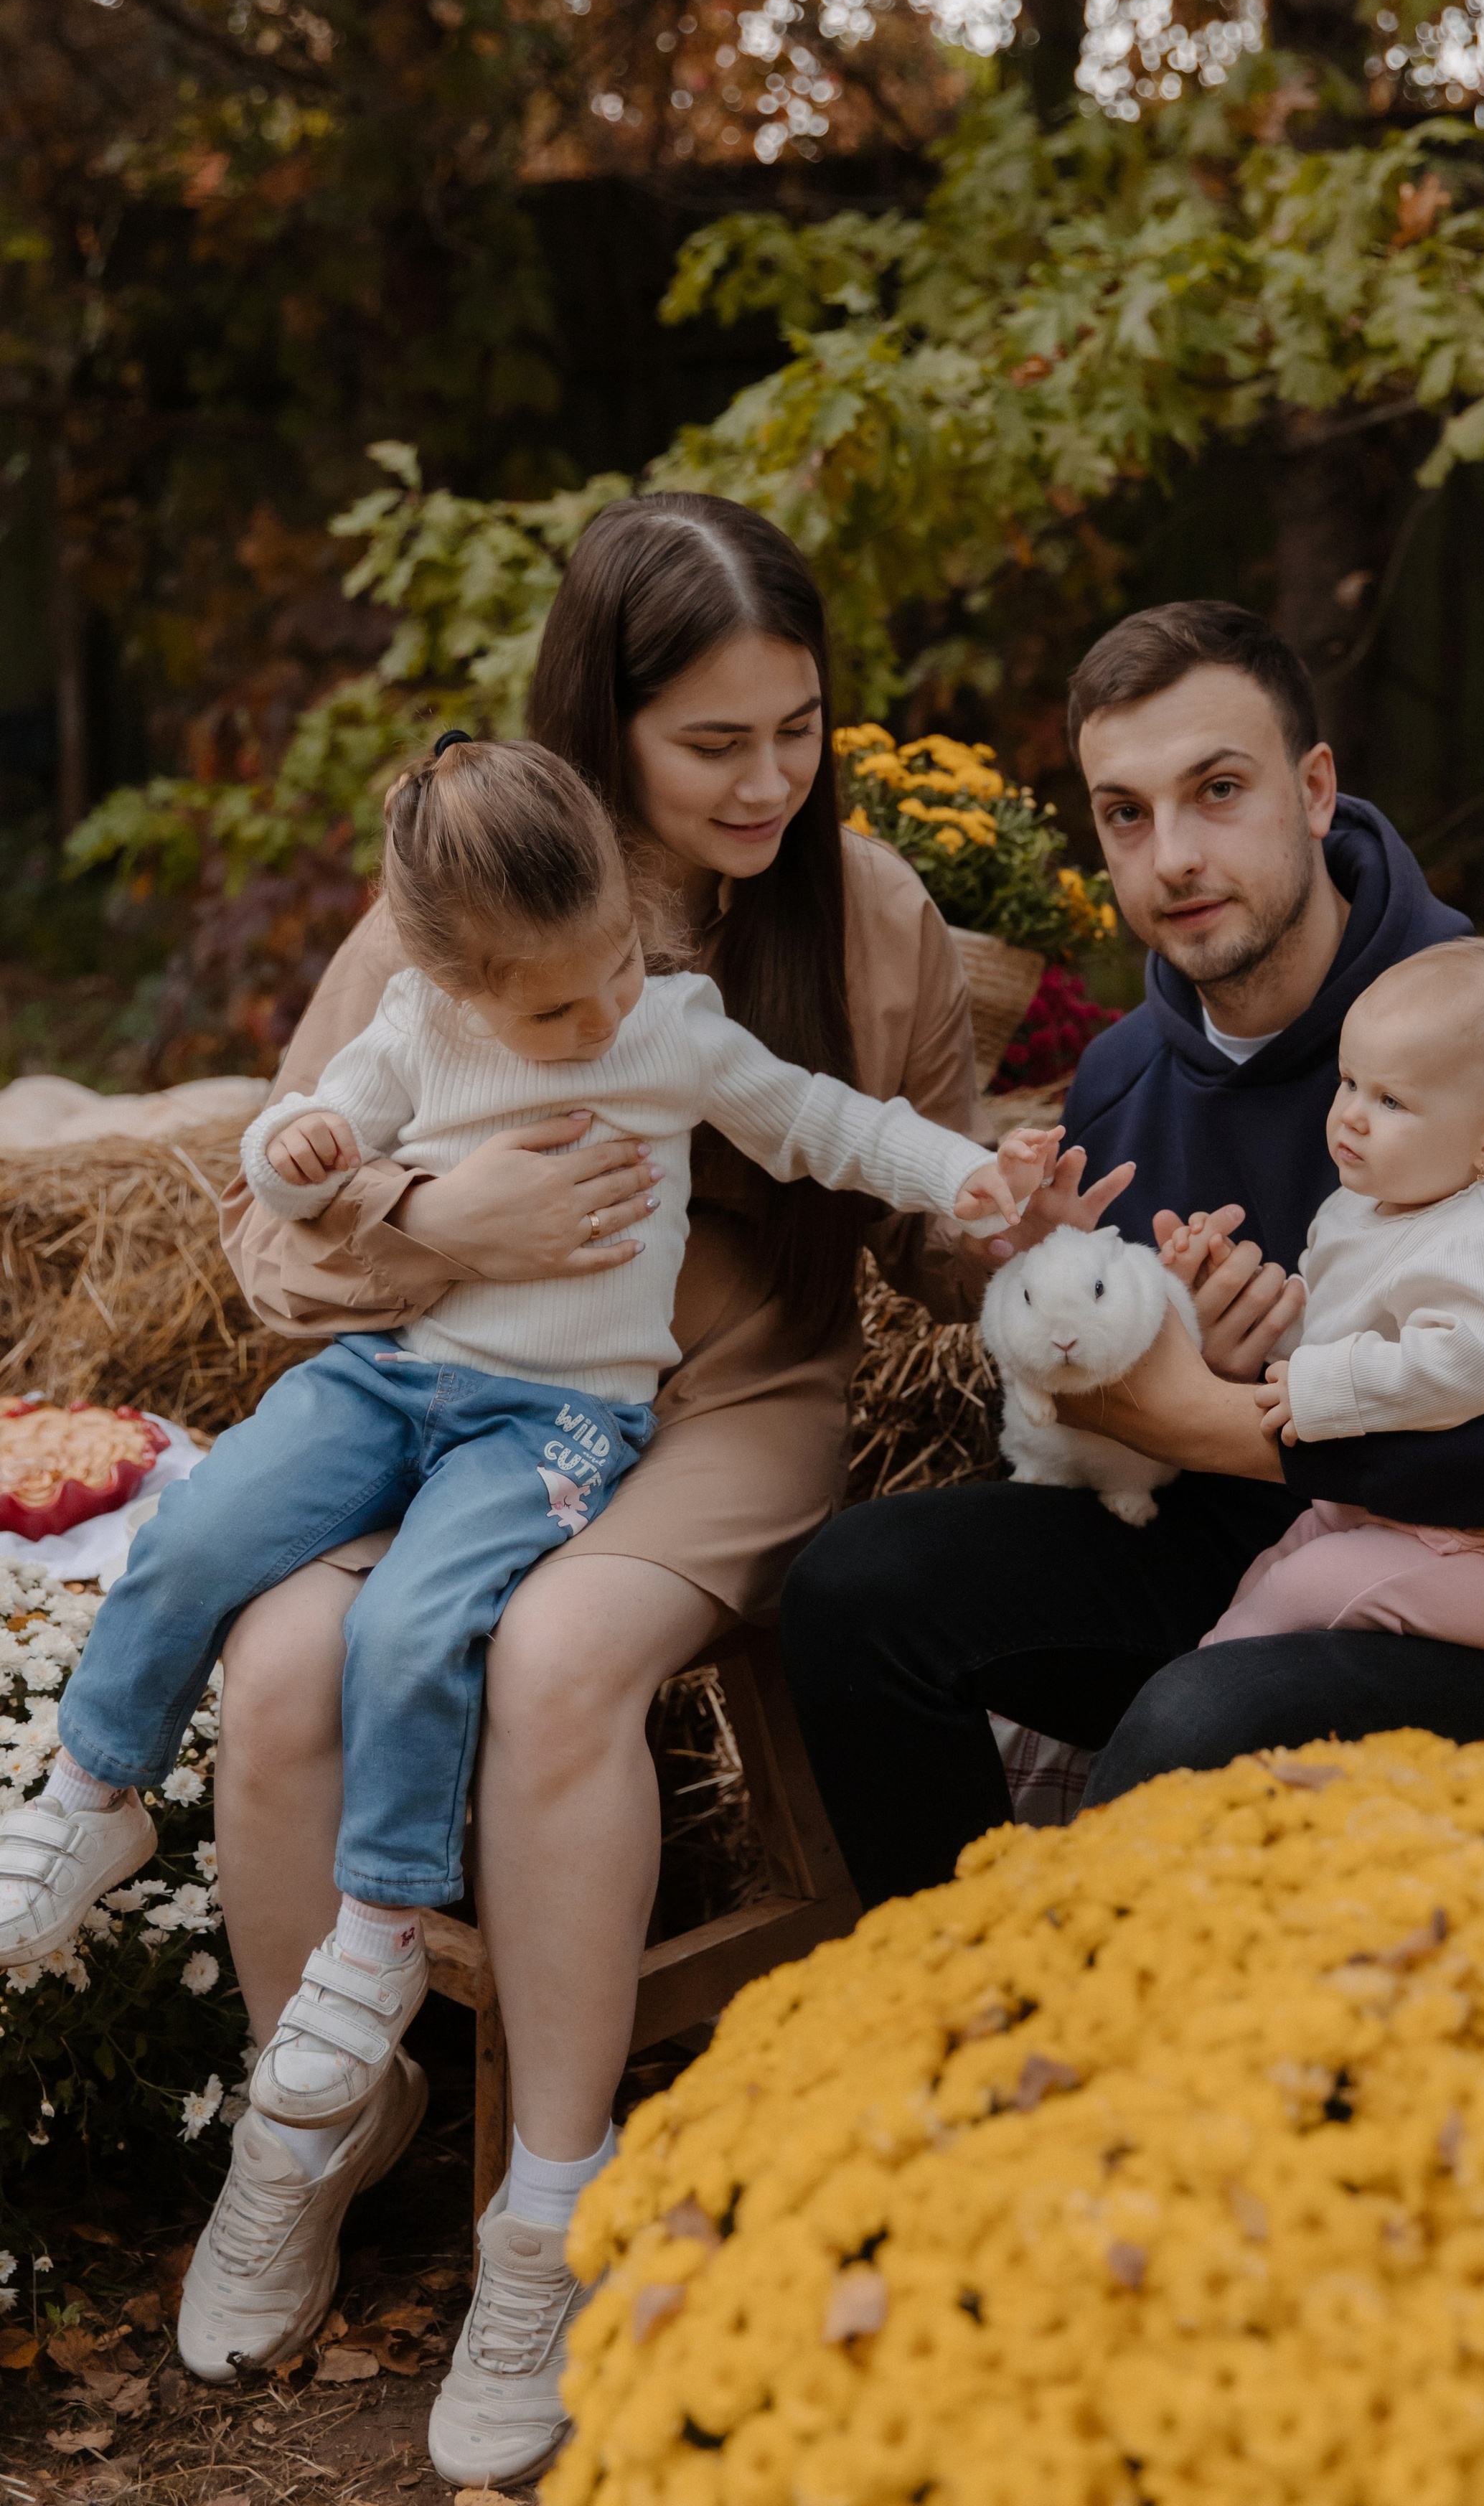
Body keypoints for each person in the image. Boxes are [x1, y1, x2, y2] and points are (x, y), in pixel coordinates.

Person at [174, 496, 1104, 2487]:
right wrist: (441, 1206)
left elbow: (916, 1219)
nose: (769, 781)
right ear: (604, 726)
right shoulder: (465, 895)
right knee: (277, 1667)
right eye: (713, 743)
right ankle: (315, 2128)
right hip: (444, 1392)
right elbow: (277, 1241)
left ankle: (549, 2221)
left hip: (726, 1401)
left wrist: (1006, 1224)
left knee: (568, 1656)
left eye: (799, 729)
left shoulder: (865, 916)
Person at [0, 741, 1048, 2110]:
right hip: (388, 1379)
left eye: (619, 964)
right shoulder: (417, 1027)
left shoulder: (669, 1027)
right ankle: (96, 1789)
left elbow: (826, 1125)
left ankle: (378, 1930)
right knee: (204, 1525)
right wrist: (302, 1154)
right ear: (456, 989)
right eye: (555, 1013)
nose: (603, 1017)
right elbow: (294, 1149)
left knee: (412, 1621)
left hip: (555, 1423)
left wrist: (973, 1177)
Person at [779, 599, 1484, 1908]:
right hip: (1250, 1566)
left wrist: (1235, 1421)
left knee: (1203, 1721)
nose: (1174, 857)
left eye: (1219, 791)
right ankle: (962, 2009)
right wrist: (1069, 1330)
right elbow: (1103, 1441)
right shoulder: (1116, 1083)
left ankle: (1105, 2054)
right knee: (855, 1590)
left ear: (1316, 790)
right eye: (1126, 813)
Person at [1204, 935, 1484, 1656]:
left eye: (1391, 1099)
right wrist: (1263, 1323)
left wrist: (1321, 1386)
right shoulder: (1358, 1208)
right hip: (1388, 1513)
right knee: (1268, 1575)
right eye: (1350, 1082)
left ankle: (1202, 1727)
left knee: (1298, 1591)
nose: (1352, 1114)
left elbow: (1472, 1360)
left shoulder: (1482, 1233)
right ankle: (1203, 1701)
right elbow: (1331, 1339)